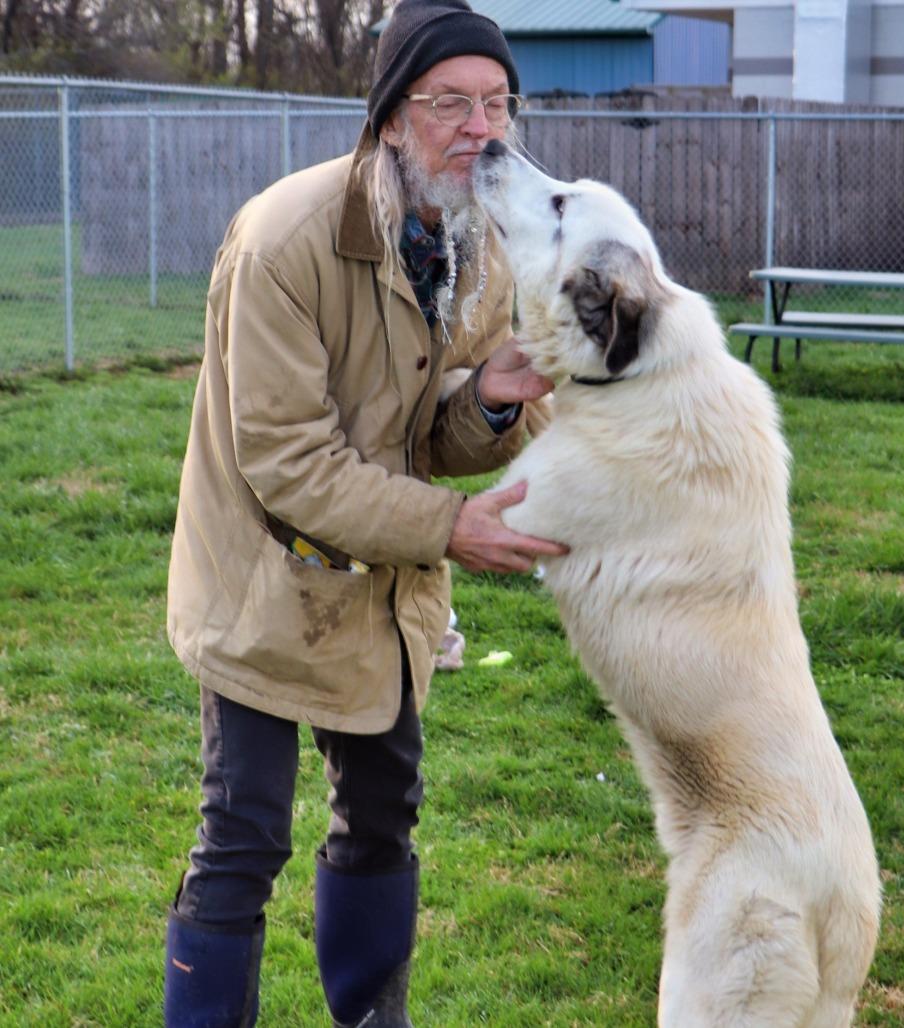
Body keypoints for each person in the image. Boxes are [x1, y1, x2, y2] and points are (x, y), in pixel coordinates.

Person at [163, 2, 565, 1024]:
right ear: (391, 116)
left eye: (497, 104)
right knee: (243, 831)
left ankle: (371, 1015)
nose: (481, 128)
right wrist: (451, 527)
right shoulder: (284, 238)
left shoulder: (475, 246)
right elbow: (290, 463)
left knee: (383, 816)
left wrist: (490, 399)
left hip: (381, 594)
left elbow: (427, 434)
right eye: (449, 105)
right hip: (260, 579)